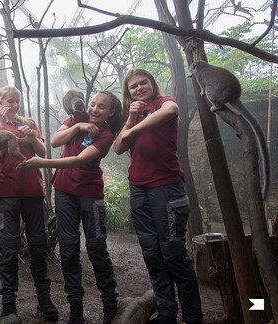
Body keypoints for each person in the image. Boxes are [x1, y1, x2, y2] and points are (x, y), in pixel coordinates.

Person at [18, 90, 122, 324]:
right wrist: (78, 127)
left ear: (111, 112)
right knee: (69, 249)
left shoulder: (106, 135)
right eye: (93, 104)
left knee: (96, 249)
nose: (94, 109)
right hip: (64, 192)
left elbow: (79, 160)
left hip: (90, 196)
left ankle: (110, 306)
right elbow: (55, 140)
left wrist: (42, 162)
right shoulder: (76, 118)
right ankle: (76, 309)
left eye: (102, 107)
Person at [114, 68, 203, 324]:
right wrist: (130, 121)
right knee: (152, 253)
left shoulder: (162, 103)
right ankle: (166, 313)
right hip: (138, 189)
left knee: (173, 253)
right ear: (128, 92)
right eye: (133, 86)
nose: (139, 88)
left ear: (152, 84)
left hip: (167, 187)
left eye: (144, 83)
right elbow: (119, 148)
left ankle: (193, 316)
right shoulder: (132, 115)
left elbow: (172, 111)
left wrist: (134, 128)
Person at [0, 85, 59, 320]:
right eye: (10, 100)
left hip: (33, 191)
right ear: (0, 101)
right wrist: (0, 124)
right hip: (6, 192)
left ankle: (44, 299)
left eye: (17, 101)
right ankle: (9, 304)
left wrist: (31, 136)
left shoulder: (28, 122)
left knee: (39, 246)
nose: (14, 105)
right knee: (8, 248)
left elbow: (42, 152)